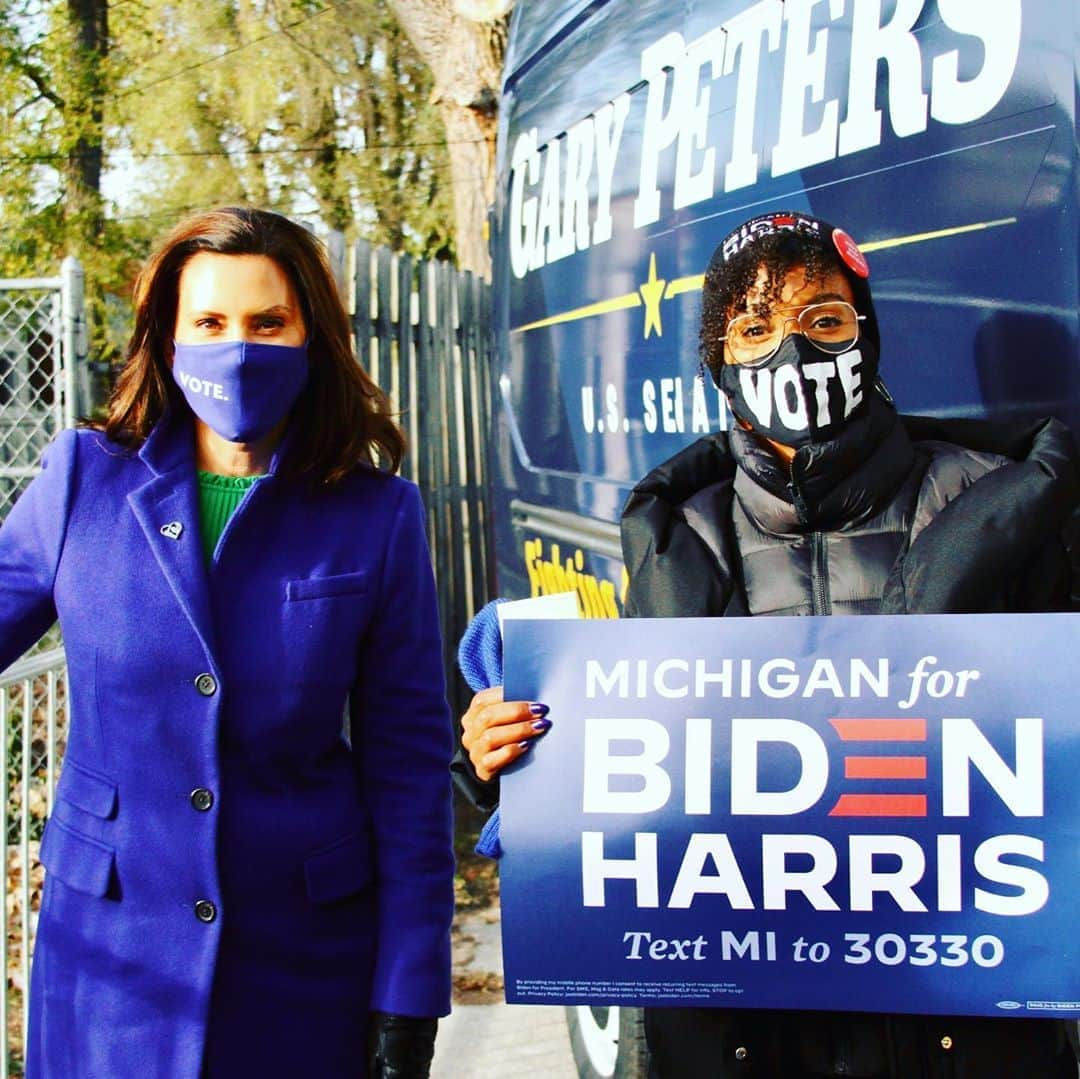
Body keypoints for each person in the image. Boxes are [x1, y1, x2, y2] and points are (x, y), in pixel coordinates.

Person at [454, 210, 1080, 1077]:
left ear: (867, 334)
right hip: (744, 1038)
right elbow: (629, 781)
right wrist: (507, 764)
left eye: (824, 319)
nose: (794, 350)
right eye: (755, 328)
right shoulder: (681, 538)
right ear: (720, 361)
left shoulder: (996, 505)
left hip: (955, 1032)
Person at [0, 206, 455, 1078]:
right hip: (109, 963)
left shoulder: (377, 514)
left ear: (310, 336)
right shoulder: (81, 480)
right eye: (209, 323)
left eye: (267, 323)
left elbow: (406, 769)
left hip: (304, 965)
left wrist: (410, 991)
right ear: (168, 338)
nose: (237, 348)